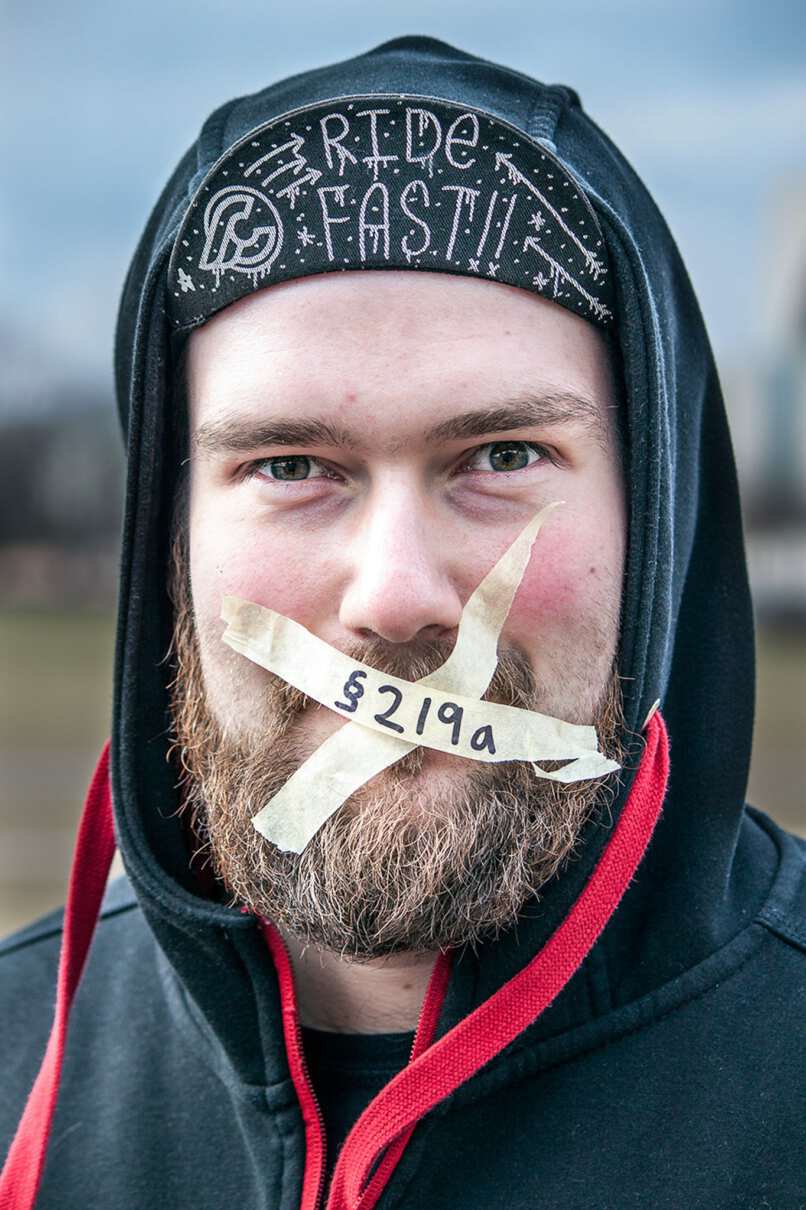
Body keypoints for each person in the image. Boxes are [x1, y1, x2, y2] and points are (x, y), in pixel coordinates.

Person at [1, 35, 803, 1210]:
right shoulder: (14, 1051)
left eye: (503, 455)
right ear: (169, 542)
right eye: (289, 466)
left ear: (652, 519)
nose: (394, 597)